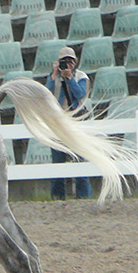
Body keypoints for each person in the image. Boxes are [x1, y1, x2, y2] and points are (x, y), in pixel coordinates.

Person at [44, 46, 92, 200]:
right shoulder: (54, 78)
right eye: (64, 62)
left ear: (75, 63)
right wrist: (54, 75)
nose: (68, 65)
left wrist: (70, 78)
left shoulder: (81, 77)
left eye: (70, 62)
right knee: (58, 164)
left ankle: (83, 198)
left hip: (76, 122)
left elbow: (80, 94)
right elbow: (46, 94)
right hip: (58, 122)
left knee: (80, 161)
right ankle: (57, 198)